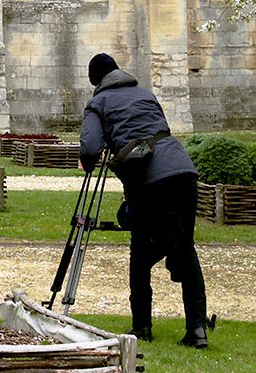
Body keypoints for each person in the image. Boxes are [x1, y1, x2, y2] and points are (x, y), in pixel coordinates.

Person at [79, 53, 212, 349]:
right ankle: (197, 329)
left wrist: (88, 161)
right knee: (185, 248)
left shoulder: (97, 103)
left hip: (148, 180)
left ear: (95, 81)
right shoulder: (146, 95)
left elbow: (90, 147)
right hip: (183, 170)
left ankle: (142, 326)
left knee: (140, 251)